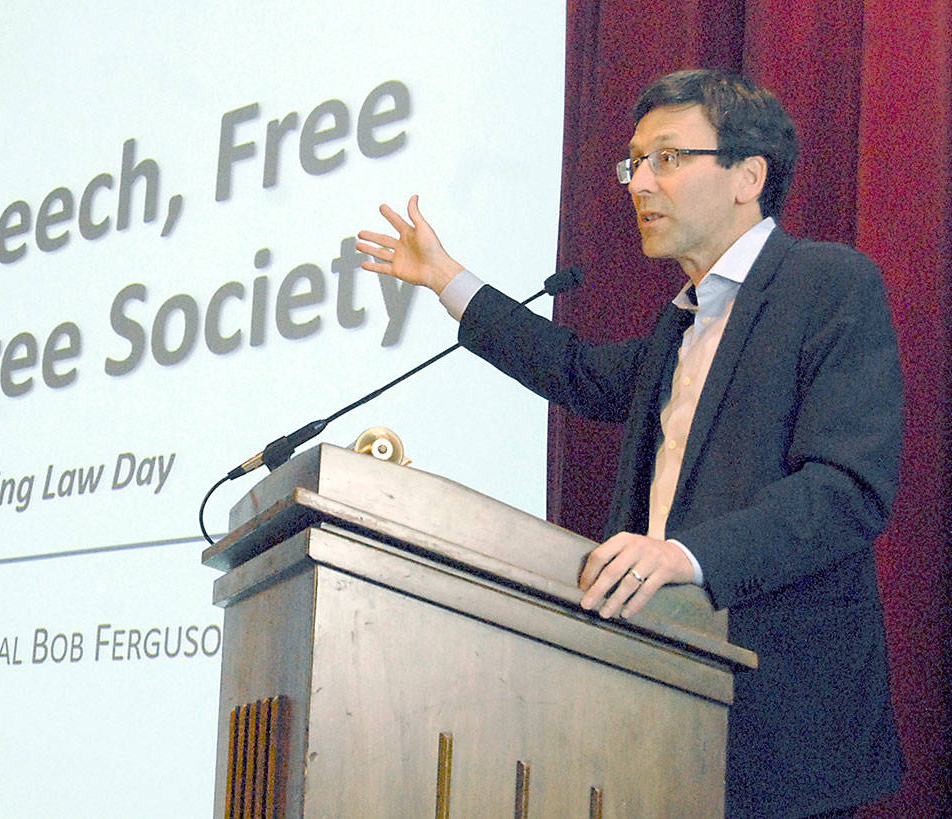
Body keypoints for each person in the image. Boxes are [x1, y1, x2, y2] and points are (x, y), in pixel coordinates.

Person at [356, 69, 903, 818]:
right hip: (657, 706)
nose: (639, 182)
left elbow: (846, 490)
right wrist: (448, 279)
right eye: (634, 162)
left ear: (748, 175)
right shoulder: (679, 323)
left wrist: (685, 556)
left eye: (667, 159)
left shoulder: (828, 285)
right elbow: (578, 372)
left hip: (783, 724)